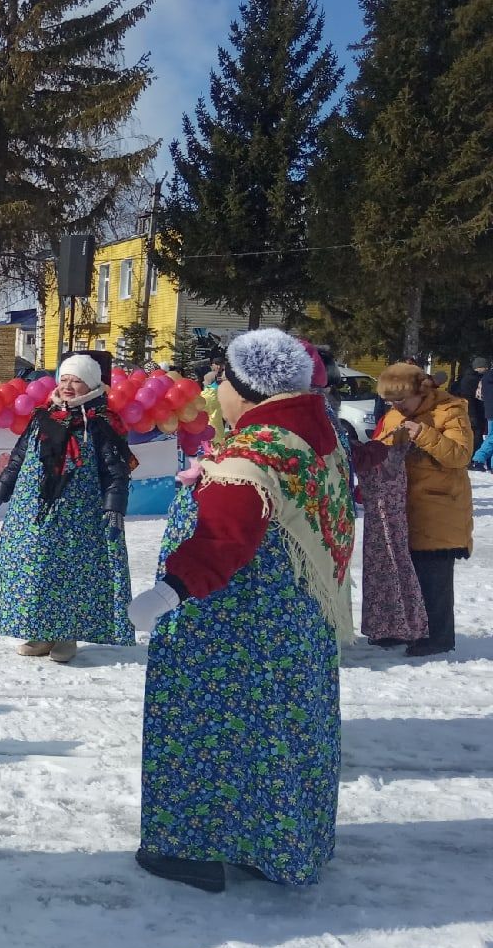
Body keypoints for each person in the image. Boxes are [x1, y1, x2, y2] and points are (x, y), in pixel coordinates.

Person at [128, 328, 355, 892]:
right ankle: (273, 843)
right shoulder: (316, 435)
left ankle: (192, 847)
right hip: (293, 624)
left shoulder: (256, 455)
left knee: (208, 731)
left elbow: (223, 538)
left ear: (248, 388)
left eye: (221, 379)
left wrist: (166, 593)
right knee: (277, 729)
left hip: (231, 627)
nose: (214, 389)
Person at [0, 350, 135, 664]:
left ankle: (67, 634)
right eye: (64, 378)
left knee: (72, 573)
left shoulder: (100, 423)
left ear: (91, 385)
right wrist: (1, 490)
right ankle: (42, 631)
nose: (68, 386)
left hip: (80, 514)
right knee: (39, 569)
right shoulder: (44, 414)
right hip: (35, 511)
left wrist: (114, 506)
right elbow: (18, 457)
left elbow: (115, 469)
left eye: (77, 380)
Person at [354, 364, 474, 657]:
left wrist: (423, 434)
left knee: (433, 576)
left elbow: (460, 455)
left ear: (421, 391)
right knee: (400, 572)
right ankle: (398, 628)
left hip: (440, 508)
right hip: (401, 510)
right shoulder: (395, 416)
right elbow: (382, 452)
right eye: (392, 401)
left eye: (402, 400)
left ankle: (439, 636)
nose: (397, 406)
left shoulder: (451, 410)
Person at [451, 356, 488, 447]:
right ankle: (473, 457)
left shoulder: (469, 377)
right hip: (473, 412)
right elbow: (469, 398)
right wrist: (472, 415)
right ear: (478, 367)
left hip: (471, 411)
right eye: (485, 367)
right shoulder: (472, 379)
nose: (487, 369)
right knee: (475, 435)